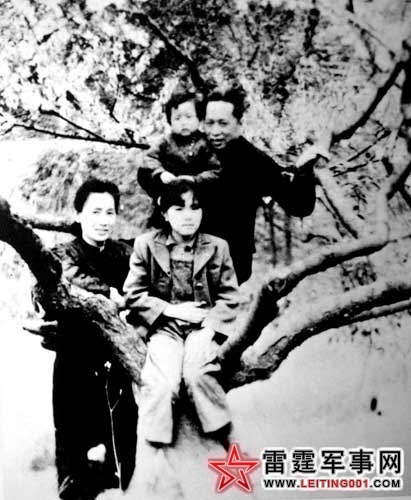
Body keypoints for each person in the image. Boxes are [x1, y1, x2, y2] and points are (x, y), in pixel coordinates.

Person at [123, 178, 239, 448]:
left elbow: (229, 295)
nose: (188, 215)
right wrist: (172, 310)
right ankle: (156, 447)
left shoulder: (218, 246)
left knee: (198, 374)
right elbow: (133, 294)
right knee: (163, 384)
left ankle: (222, 437)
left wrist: (211, 328)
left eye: (195, 208)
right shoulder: (146, 245)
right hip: (164, 328)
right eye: (179, 208)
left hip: (203, 328)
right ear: (164, 213)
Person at [49, 178, 138, 500]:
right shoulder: (62, 253)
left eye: (109, 212)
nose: (103, 220)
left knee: (124, 450)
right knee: (75, 461)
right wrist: (109, 293)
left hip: (118, 361)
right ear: (79, 214)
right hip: (75, 362)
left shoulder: (125, 254)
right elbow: (66, 277)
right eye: (95, 212)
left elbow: (142, 286)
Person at [137, 90, 221, 226]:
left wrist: (196, 179)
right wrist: (160, 173)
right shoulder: (165, 142)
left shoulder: (205, 144)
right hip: (170, 194)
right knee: (165, 223)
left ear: (199, 119)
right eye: (177, 118)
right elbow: (149, 159)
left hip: (198, 196)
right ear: (170, 121)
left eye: (188, 117)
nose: (183, 123)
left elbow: (216, 170)